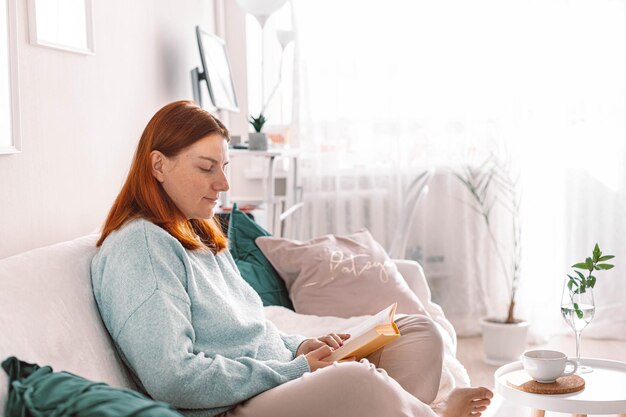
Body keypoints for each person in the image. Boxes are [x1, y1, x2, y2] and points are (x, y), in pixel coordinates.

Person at [91, 100, 493, 417]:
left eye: (225, 167)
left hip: (274, 379)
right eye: (206, 167)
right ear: (158, 165)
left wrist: (299, 346)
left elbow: (250, 331)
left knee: (418, 333)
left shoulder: (197, 232)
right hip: (229, 406)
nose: (224, 183)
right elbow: (173, 378)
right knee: (358, 381)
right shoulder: (140, 245)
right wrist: (296, 371)